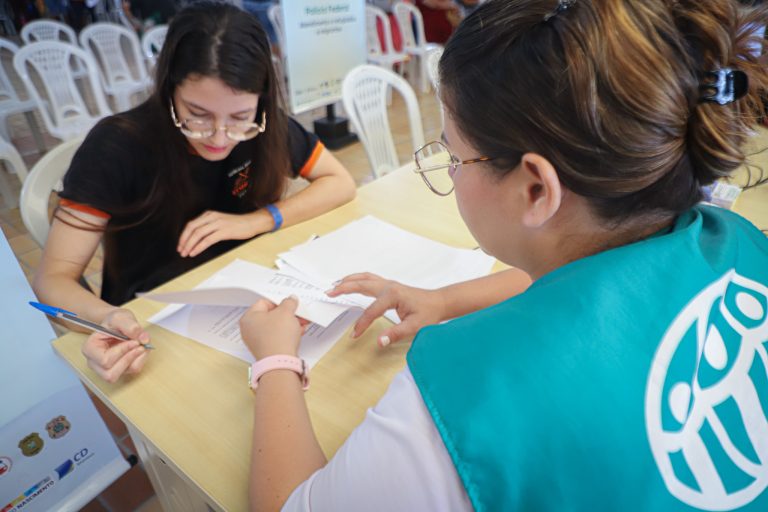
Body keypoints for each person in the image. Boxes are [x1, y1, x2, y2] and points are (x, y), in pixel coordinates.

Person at [237, 0, 768, 510]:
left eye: (455, 155)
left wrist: (275, 358)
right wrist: (443, 300)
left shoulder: (472, 398)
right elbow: (593, 289)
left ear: (536, 189)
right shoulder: (736, 238)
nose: (449, 171)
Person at [32, 2, 356, 382]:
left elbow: (341, 182)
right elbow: (52, 278)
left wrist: (255, 221)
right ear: (170, 87)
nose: (220, 138)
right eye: (197, 114)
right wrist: (106, 318)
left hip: (242, 301)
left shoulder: (267, 126)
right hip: (152, 316)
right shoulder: (116, 146)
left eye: (239, 118)